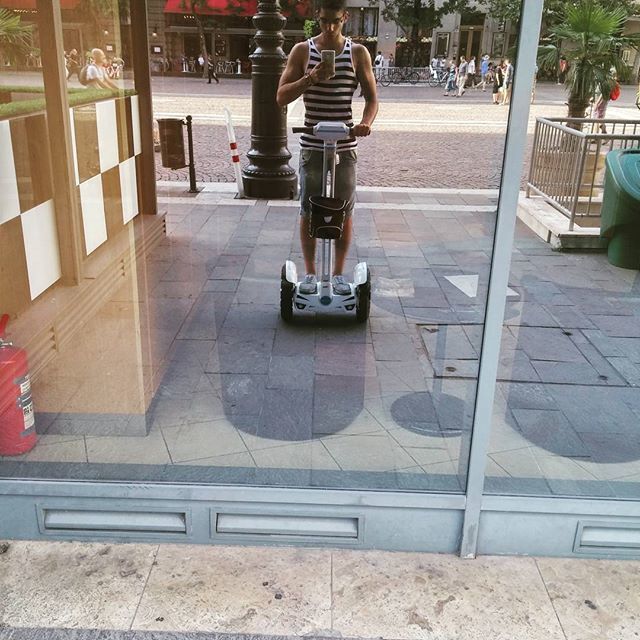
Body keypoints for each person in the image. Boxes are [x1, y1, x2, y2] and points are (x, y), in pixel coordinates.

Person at [276, 0, 378, 296]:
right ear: (316, 18)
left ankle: (338, 274)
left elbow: (372, 98)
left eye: (336, 21)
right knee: (309, 209)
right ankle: (309, 273)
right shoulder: (302, 51)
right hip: (313, 144)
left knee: (344, 210)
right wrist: (310, 78)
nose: (330, 27)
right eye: (324, 21)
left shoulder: (358, 53)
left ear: (345, 17)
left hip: (345, 144)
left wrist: (365, 123)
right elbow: (281, 96)